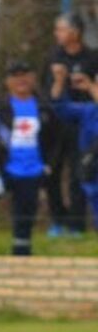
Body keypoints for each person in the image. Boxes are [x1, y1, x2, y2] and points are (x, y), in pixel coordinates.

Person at [0, 61, 57, 256]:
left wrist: (49, 165)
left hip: (33, 171)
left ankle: (21, 254)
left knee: (24, 216)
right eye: (15, 76)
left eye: (25, 75)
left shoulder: (45, 108)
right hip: (4, 168)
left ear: (34, 79)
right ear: (8, 81)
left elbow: (55, 140)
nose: (21, 80)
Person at [43, 13, 97, 237]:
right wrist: (59, 80)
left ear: (75, 32)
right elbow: (49, 94)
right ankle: (58, 220)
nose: (57, 34)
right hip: (57, 123)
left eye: (61, 30)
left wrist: (88, 86)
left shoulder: (92, 58)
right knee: (51, 172)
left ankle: (76, 224)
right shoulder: (53, 57)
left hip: (84, 122)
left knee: (79, 172)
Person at [51, 66, 98, 230]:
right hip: (92, 165)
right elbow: (59, 107)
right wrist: (59, 81)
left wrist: (91, 87)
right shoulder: (89, 110)